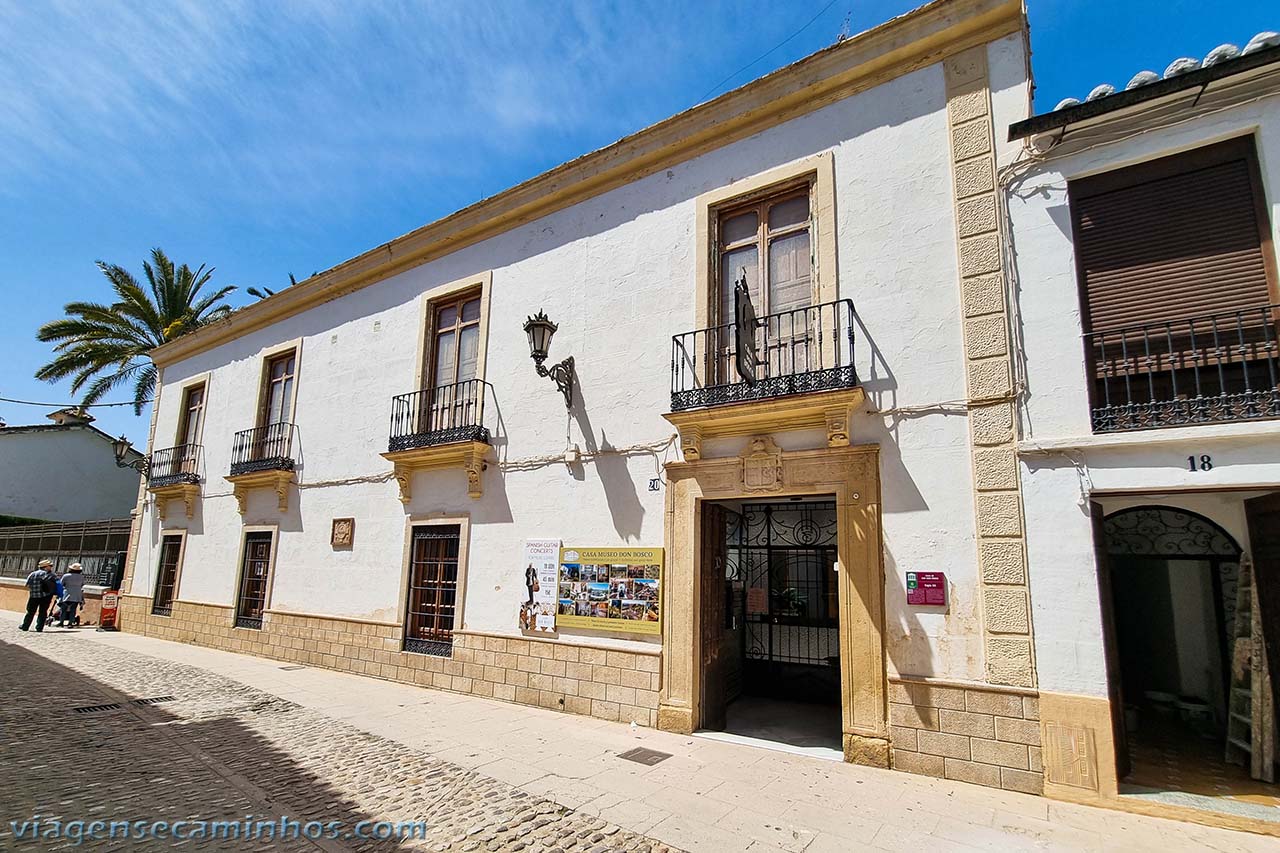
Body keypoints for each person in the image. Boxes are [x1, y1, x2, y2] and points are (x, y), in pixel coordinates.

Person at [19, 559, 58, 632]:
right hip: (45, 596)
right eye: (50, 566)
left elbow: (27, 584)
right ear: (46, 567)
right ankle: (39, 627)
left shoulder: (32, 574)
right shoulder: (51, 575)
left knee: (30, 612)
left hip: (33, 596)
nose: (51, 567)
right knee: (43, 612)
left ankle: (25, 626)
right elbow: (57, 585)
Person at [58, 562, 86, 628]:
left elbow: (61, 584)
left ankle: (61, 622)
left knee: (63, 609)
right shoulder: (81, 577)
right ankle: (70, 623)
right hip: (77, 595)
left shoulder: (66, 576)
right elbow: (82, 584)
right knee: (73, 609)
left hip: (67, 593)